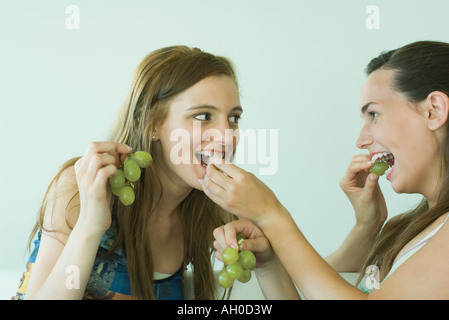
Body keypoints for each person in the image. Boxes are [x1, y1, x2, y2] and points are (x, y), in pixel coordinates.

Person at [203, 40, 449, 299]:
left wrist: (271, 215)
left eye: (374, 115)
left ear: (434, 111)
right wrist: (269, 263)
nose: (361, 140)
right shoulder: (402, 229)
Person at [14, 45, 246, 300]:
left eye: (233, 118)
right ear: (152, 124)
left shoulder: (209, 214)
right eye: (203, 115)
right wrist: (90, 225)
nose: (227, 136)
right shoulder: (79, 189)